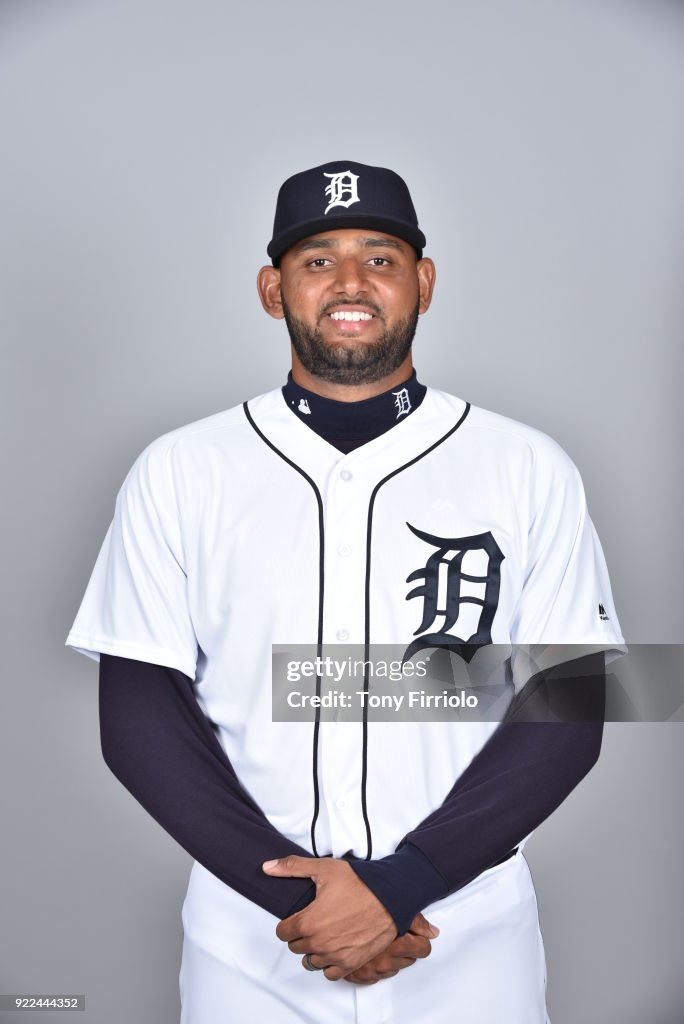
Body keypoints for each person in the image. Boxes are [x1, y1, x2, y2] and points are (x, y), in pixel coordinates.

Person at [66, 159, 627, 1023]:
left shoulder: (526, 468)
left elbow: (572, 711)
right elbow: (140, 720)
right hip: (252, 937)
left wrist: (405, 886)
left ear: (424, 283)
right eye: (318, 260)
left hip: (462, 928)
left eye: (381, 257)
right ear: (272, 288)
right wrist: (306, 906)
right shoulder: (181, 471)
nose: (351, 282)